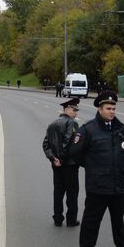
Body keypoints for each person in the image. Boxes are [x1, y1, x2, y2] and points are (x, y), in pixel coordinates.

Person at [70, 91, 124, 247]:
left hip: (118, 182)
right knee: (92, 219)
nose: (112, 111)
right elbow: (75, 152)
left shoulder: (120, 128)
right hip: (98, 184)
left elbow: (123, 151)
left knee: (118, 219)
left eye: (114, 108)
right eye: (108, 108)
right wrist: (91, 166)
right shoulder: (88, 129)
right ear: (100, 109)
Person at [42, 97, 81, 227]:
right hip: (69, 164)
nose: (76, 113)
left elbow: (45, 144)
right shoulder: (72, 123)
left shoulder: (53, 123)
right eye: (74, 110)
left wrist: (53, 159)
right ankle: (71, 219)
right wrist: (62, 159)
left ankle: (57, 218)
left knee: (58, 192)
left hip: (56, 165)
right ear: (68, 109)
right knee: (72, 193)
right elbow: (69, 143)